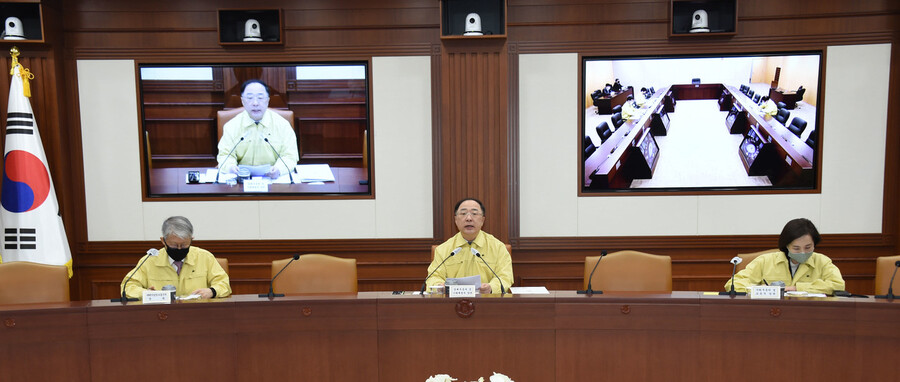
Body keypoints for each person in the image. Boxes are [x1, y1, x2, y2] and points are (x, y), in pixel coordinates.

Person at [724, 218, 845, 295]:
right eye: (796, 248)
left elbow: (838, 285)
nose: (803, 252)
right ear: (786, 245)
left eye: (808, 247)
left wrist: (796, 288)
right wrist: (761, 290)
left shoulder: (822, 262)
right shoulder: (765, 261)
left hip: (809, 315)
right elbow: (733, 284)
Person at [121, 216, 231, 299]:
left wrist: (212, 291)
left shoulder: (205, 257)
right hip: (161, 316)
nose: (179, 249)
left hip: (198, 314)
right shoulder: (150, 260)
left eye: (184, 245)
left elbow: (224, 284)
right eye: (174, 245)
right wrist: (147, 294)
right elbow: (127, 287)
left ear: (191, 239)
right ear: (163, 241)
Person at [426, 198, 513, 294]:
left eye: (474, 214)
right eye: (463, 214)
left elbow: (505, 277)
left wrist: (491, 288)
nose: (469, 218)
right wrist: (439, 286)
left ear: (482, 220)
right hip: (452, 304)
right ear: (455, 220)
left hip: (487, 302)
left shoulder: (498, 247)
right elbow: (433, 277)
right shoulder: (443, 249)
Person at [216, 79, 299, 179]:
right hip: (242, 179)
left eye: (260, 98)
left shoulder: (283, 125)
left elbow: (290, 155)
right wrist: (230, 167)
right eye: (250, 98)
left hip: (274, 180)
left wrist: (279, 169)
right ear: (242, 101)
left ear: (267, 100)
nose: (255, 103)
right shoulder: (232, 126)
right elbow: (225, 155)